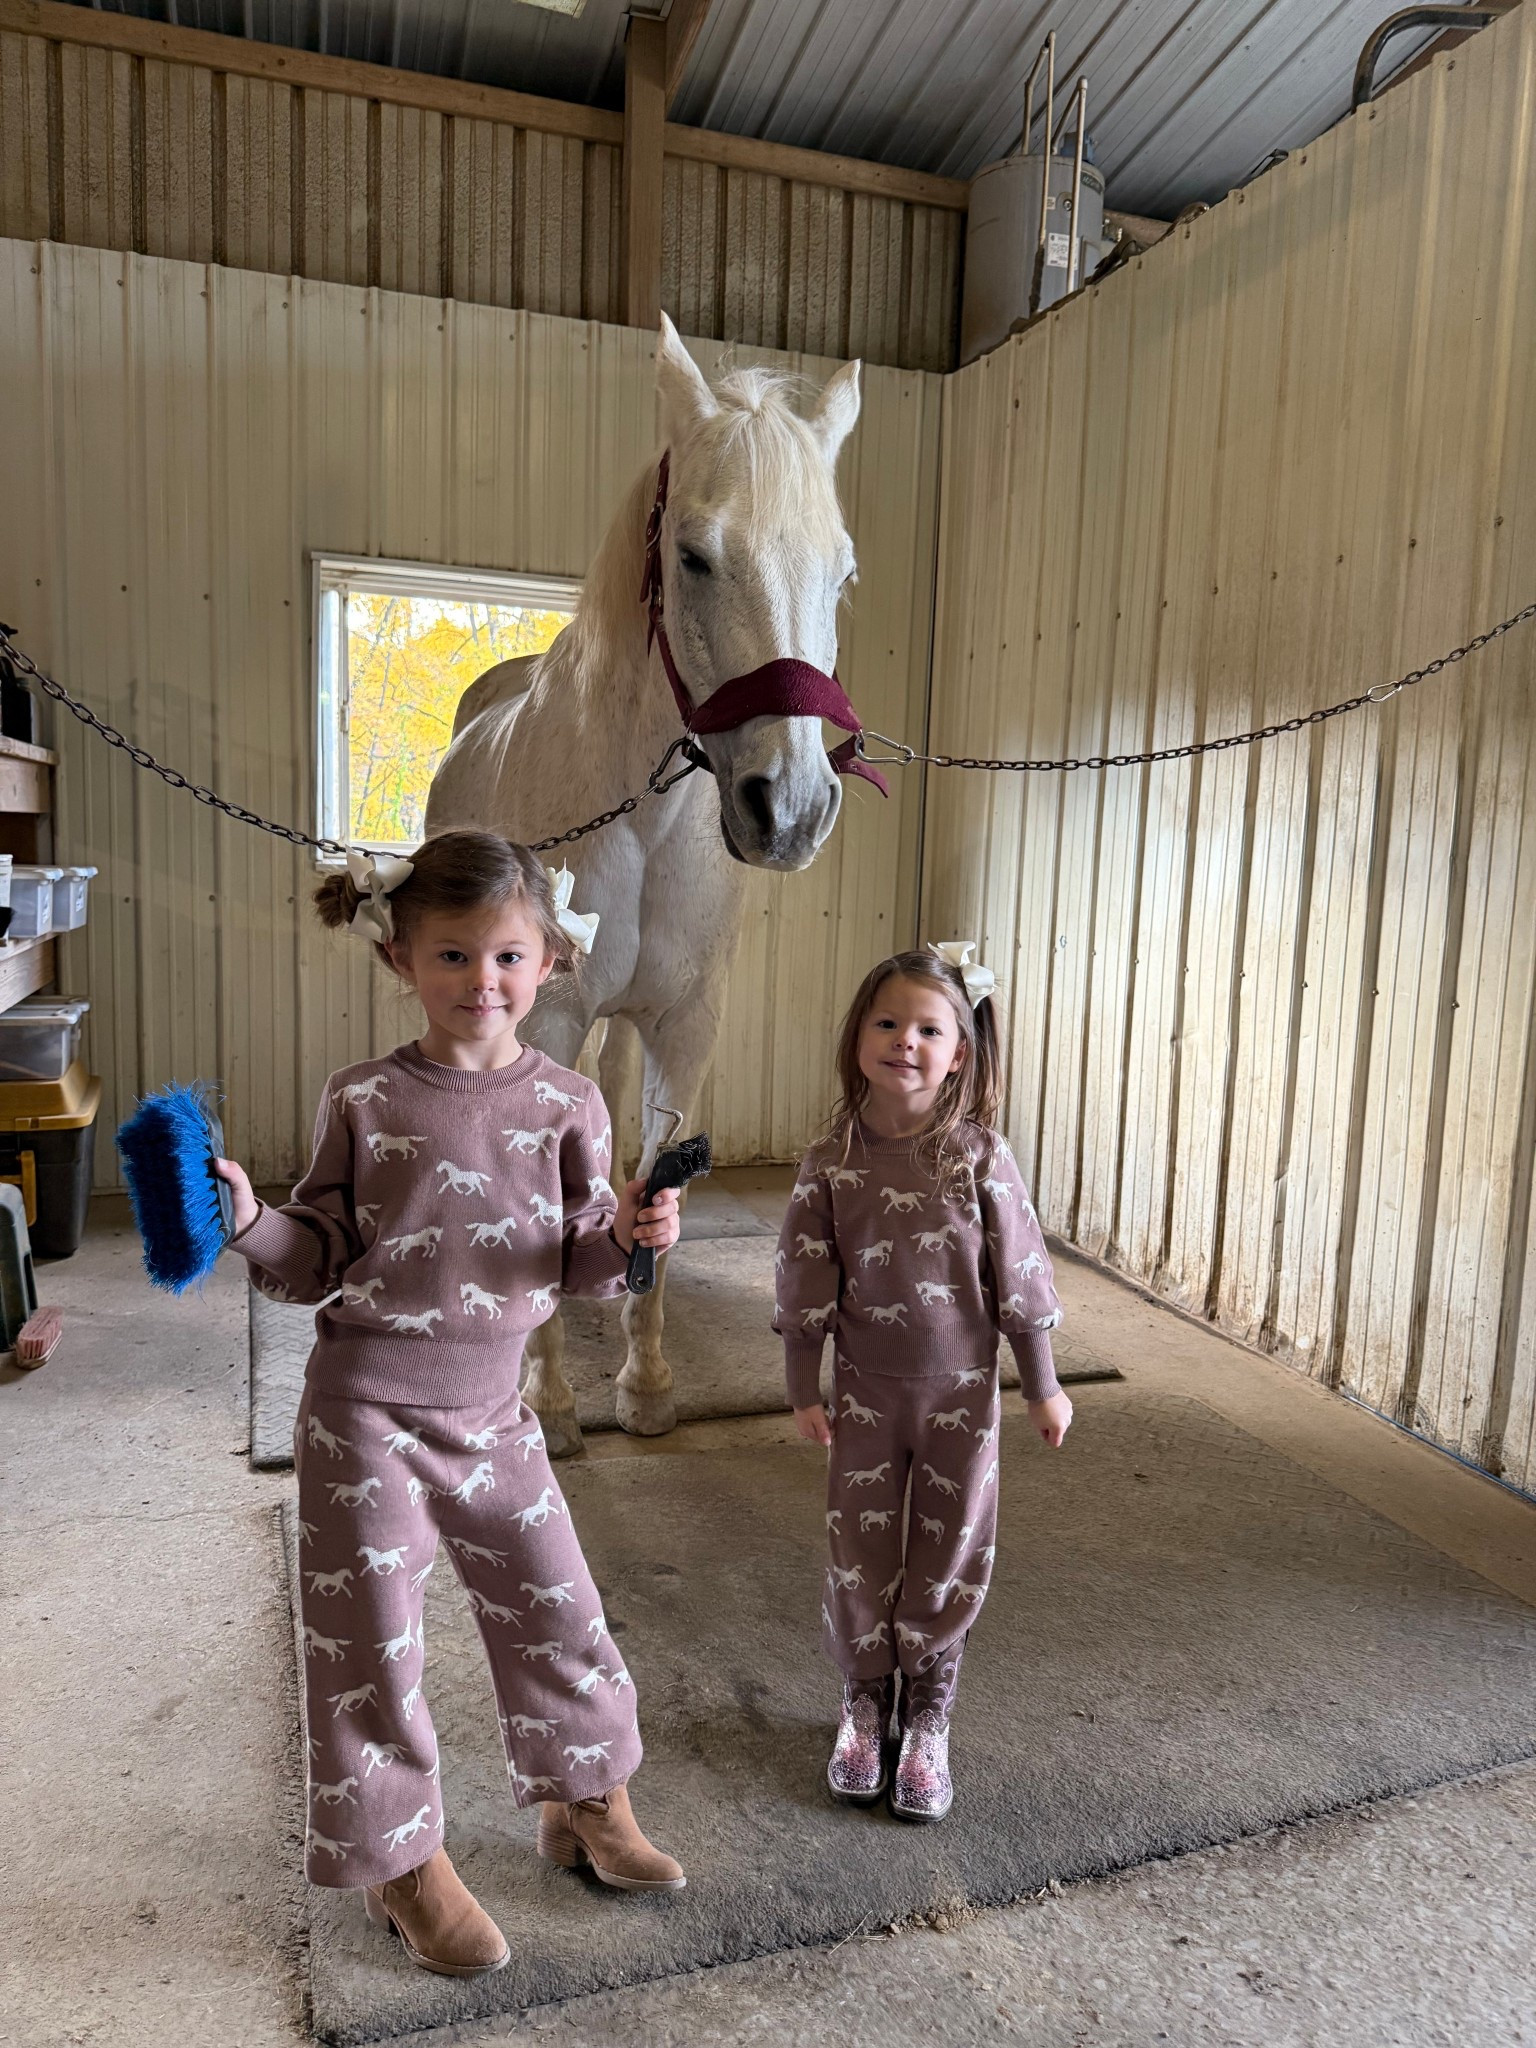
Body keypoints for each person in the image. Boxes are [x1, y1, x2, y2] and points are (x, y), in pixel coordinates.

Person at [215, 832, 686, 1979]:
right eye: (454, 954)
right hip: (364, 1414)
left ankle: (584, 1798)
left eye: (509, 956)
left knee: (559, 1607)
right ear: (401, 956)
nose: (484, 979)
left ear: (550, 960)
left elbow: (577, 1260)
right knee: (370, 1639)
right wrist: (246, 1221)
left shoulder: (574, 1103)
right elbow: (313, 1254)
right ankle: (400, 1862)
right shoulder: (364, 1098)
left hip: (497, 1415)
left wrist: (632, 1242)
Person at [773, 943, 1074, 1822]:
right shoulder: (830, 1160)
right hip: (867, 1393)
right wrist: (802, 1385)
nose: (906, 1041)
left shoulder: (979, 1157)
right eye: (888, 1022)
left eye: (929, 1028)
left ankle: (929, 1710)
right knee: (860, 1555)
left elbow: (1021, 1274)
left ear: (959, 1054)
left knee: (948, 1555)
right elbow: (803, 1276)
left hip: (963, 1401)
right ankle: (866, 1700)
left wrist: (1042, 1384)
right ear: (857, 1035)